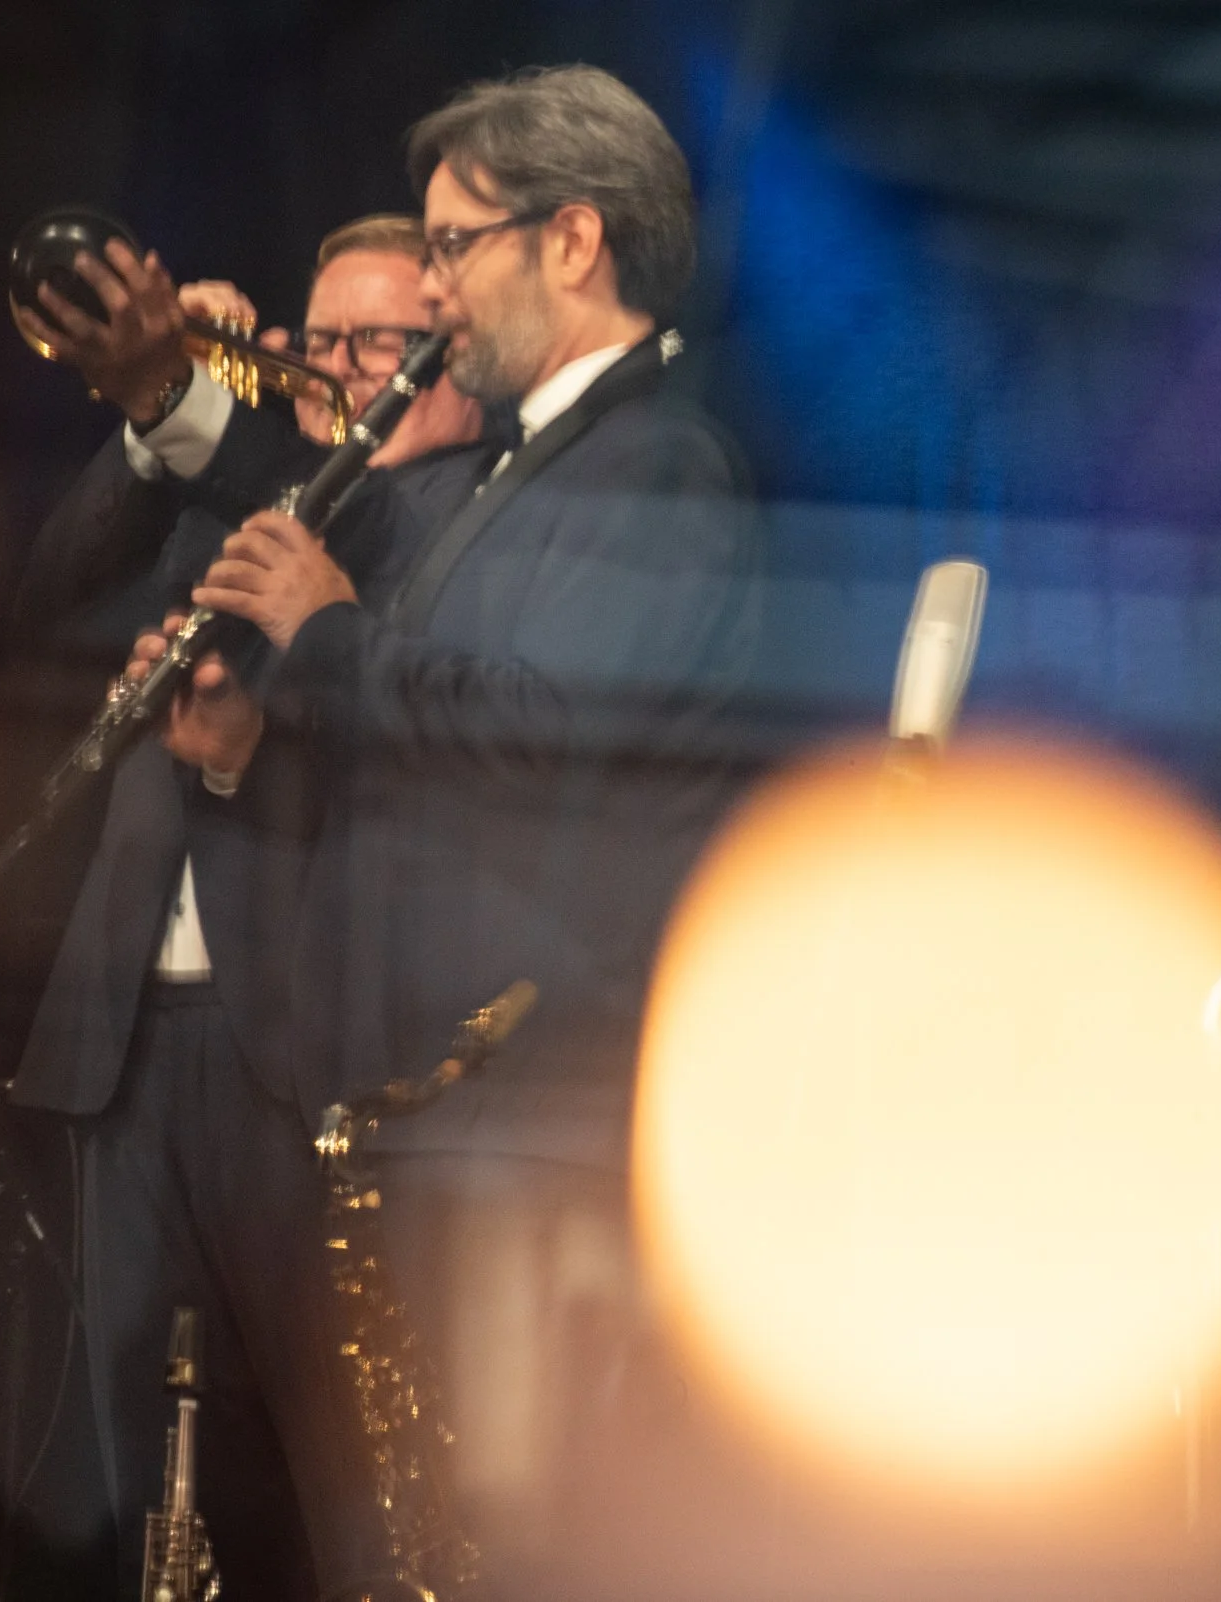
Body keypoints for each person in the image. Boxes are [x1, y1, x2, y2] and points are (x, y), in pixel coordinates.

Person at [129, 66, 762, 1589]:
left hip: (524, 1118)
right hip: (433, 1119)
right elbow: (394, 632)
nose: (429, 286)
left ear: (573, 242)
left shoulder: (660, 466)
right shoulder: (516, 466)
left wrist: (332, 638)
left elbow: (546, 735)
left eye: (454, 242)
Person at [5, 216, 483, 1600]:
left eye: (373, 343)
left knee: (322, 1483)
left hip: (299, 1052)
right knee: (132, 1484)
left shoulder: (435, 521)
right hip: (125, 1034)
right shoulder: (247, 503)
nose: (333, 369)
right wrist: (156, 420)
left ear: (448, 361)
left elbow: (411, 791)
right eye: (312, 342)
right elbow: (45, 600)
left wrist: (189, 399)